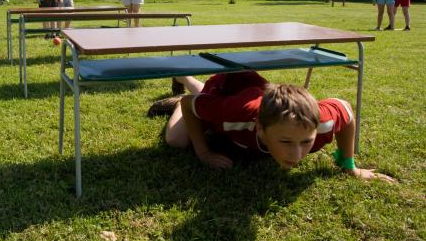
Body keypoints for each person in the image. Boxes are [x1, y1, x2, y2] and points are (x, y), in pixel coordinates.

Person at [157, 72, 394, 183]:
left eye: (306, 142)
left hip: (257, 91)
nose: (297, 155)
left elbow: (345, 109)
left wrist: (349, 166)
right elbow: (190, 105)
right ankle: (183, 78)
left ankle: (188, 80)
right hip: (228, 85)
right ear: (259, 128)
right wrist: (203, 152)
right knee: (177, 140)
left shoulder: (319, 123)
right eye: (285, 141)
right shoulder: (235, 115)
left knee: (208, 104)